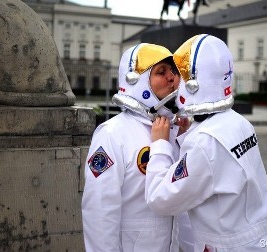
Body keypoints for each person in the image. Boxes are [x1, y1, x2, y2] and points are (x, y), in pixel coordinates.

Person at [145, 34, 267, 251]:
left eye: (180, 75)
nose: (174, 81)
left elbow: (160, 199)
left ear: (193, 84)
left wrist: (161, 146)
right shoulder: (239, 123)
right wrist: (185, 135)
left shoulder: (204, 142)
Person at [82, 43, 191, 252]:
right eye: (161, 72)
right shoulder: (112, 133)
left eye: (173, 71)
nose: (172, 78)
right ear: (138, 81)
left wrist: (185, 140)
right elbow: (99, 210)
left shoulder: (174, 129)